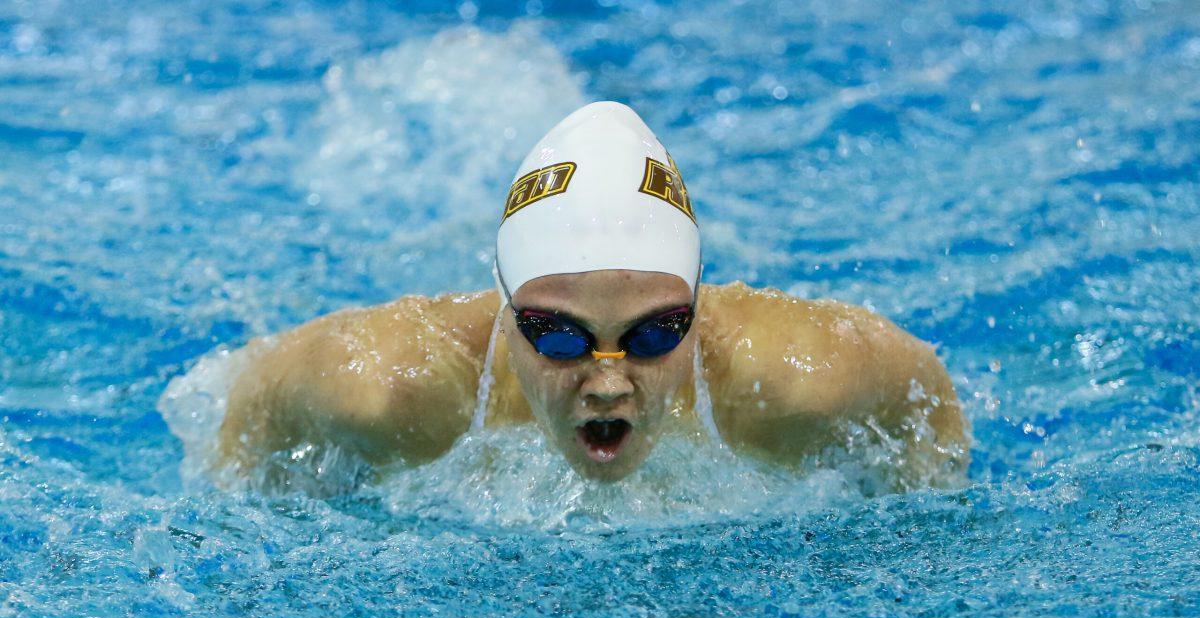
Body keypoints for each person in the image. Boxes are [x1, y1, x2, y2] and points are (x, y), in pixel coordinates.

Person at [216, 102, 968, 488]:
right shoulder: (389, 386)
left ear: (698, 313)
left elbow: (926, 401)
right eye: (561, 336)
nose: (608, 382)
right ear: (506, 313)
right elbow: (250, 408)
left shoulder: (801, 381)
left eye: (653, 334)